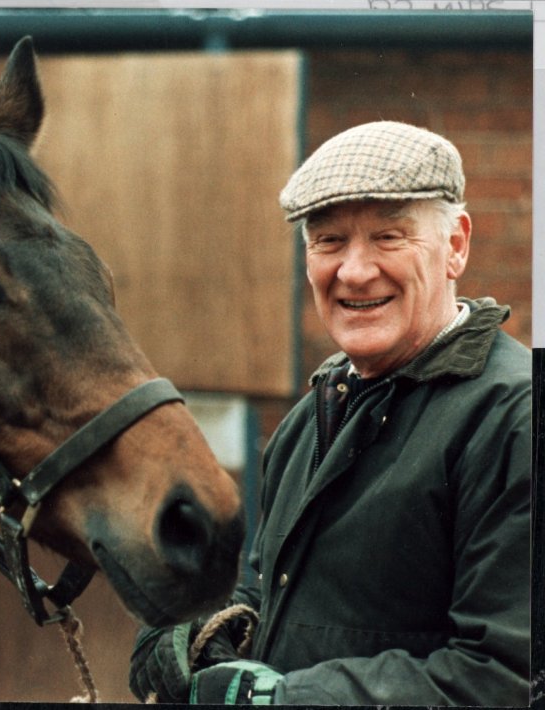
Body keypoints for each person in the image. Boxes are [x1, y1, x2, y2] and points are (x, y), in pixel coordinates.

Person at [128, 121, 531, 705]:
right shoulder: (311, 417)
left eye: (389, 237)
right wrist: (197, 636)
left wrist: (286, 700)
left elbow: (504, 677)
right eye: (329, 241)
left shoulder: (512, 416)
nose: (355, 271)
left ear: (457, 246)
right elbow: (264, 595)